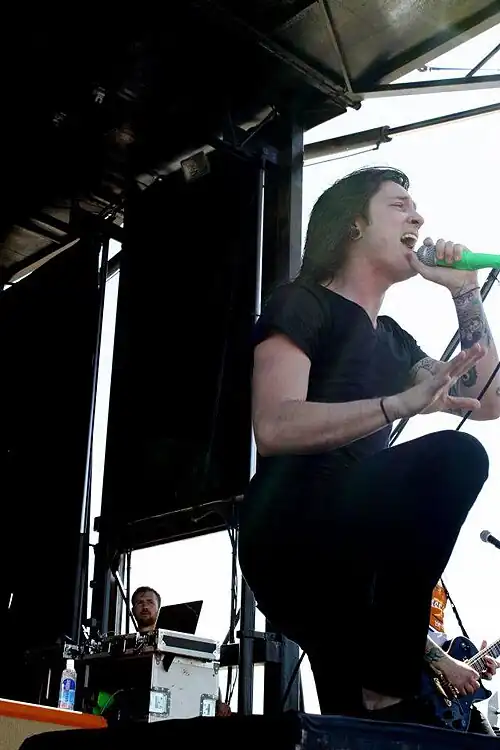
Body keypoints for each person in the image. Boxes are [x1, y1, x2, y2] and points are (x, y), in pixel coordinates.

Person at [238, 167, 500, 726]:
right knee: (456, 459)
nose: (418, 217)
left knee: (369, 725)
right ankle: (387, 674)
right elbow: (275, 427)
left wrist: (465, 292)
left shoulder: (394, 340)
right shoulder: (302, 303)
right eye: (399, 205)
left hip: (359, 558)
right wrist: (396, 405)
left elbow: (488, 399)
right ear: (354, 223)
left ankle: (382, 688)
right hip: (293, 529)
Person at [425, 580, 498, 735]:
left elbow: (436, 635)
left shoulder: (442, 581)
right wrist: (448, 666)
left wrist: (473, 669)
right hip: (413, 687)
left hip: (450, 699)